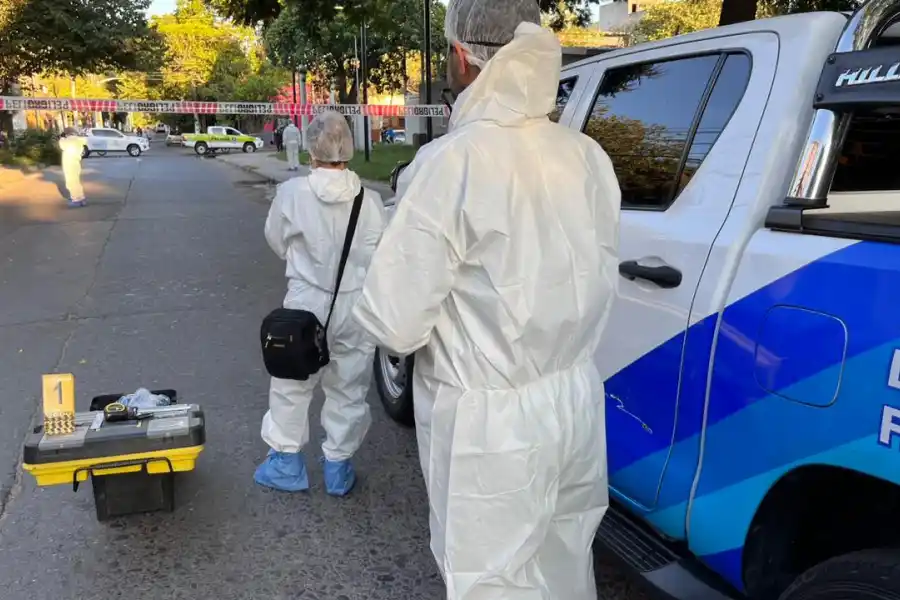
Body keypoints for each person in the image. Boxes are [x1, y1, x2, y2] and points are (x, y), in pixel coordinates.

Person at [352, 0, 621, 598]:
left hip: (488, 422)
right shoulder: (585, 156)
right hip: (574, 399)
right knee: (565, 564)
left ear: (462, 56)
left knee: (490, 582)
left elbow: (395, 323)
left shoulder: (452, 163)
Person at [255, 112, 387, 496]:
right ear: (349, 147)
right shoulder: (372, 200)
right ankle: (338, 468)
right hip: (356, 305)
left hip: (305, 304)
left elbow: (276, 241)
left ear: (311, 148)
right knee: (349, 386)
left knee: (291, 383)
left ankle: (286, 464)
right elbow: (382, 252)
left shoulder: (293, 194)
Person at [58, 127, 88, 208]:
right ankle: (81, 198)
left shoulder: (67, 141)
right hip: (76, 162)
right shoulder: (79, 140)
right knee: (76, 181)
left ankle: (76, 199)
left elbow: (61, 145)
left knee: (71, 182)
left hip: (69, 163)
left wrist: (61, 137)